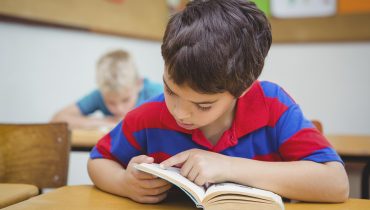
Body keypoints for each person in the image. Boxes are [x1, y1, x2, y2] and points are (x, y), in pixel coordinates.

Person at [87, 0, 349, 204]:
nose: (180, 113)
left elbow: (336, 185)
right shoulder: (150, 115)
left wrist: (227, 166)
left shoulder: (272, 105)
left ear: (244, 88)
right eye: (170, 90)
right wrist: (124, 182)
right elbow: (98, 160)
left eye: (203, 105)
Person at [51, 49, 163, 129]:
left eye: (125, 100)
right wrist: (104, 122)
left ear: (139, 84)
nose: (119, 109)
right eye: (111, 103)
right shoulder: (101, 93)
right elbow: (58, 119)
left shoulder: (156, 93)